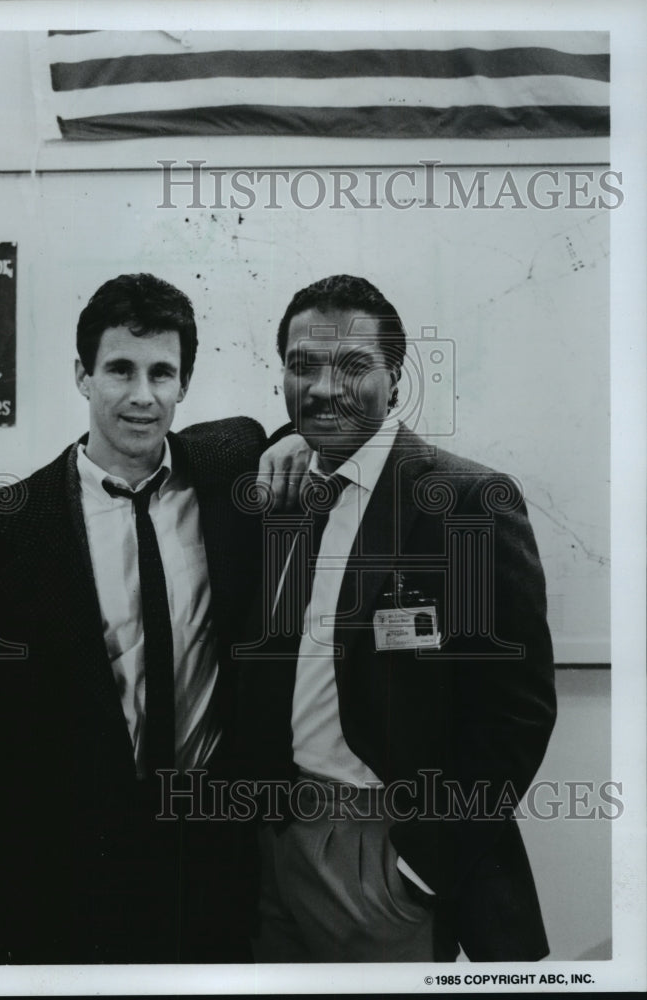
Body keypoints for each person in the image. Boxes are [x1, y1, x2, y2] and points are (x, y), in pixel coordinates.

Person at [0, 272, 303, 964]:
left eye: (161, 373)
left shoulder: (230, 468)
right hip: (72, 859)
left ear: (184, 383)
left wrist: (291, 437)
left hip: (213, 855)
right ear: (82, 375)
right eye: (119, 370)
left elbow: (289, 430)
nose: (142, 395)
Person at [237, 274, 557, 962]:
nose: (323, 389)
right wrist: (279, 438)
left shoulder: (462, 503)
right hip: (271, 843)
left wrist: (420, 869)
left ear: (394, 378)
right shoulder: (282, 488)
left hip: (381, 854)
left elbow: (516, 714)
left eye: (352, 366)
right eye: (302, 366)